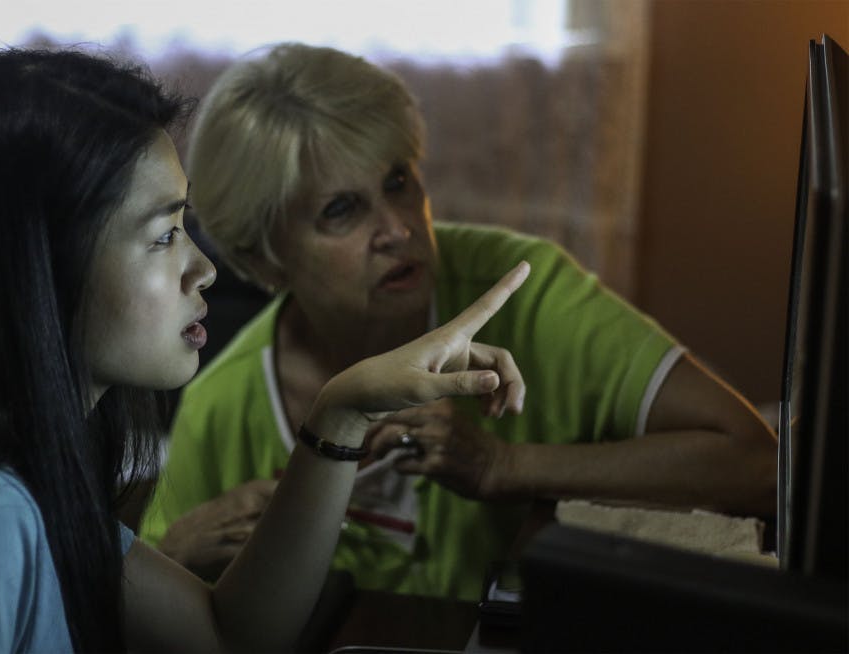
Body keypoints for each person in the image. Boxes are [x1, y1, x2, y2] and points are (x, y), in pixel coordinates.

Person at [0, 47, 533, 652]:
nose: (203, 270)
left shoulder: (30, 473)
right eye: (161, 235)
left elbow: (226, 634)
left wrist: (341, 413)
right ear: (39, 267)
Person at [139, 42, 779, 600]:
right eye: (341, 210)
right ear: (262, 255)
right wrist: (173, 561)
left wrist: (508, 467)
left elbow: (757, 467)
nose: (398, 228)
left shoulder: (523, 287)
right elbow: (148, 617)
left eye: (398, 181)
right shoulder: (221, 408)